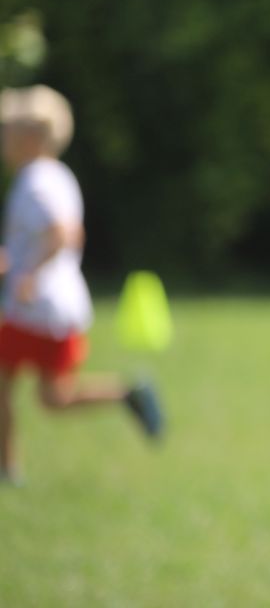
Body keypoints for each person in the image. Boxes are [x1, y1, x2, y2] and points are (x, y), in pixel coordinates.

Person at [1, 85, 164, 485]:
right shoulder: (58, 176)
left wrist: (29, 275)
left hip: (34, 308)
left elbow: (63, 232)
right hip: (62, 307)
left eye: (6, 134)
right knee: (54, 398)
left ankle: (7, 468)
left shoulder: (35, 180)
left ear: (29, 138)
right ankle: (128, 395)